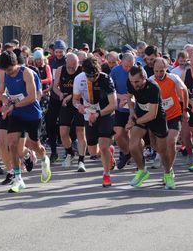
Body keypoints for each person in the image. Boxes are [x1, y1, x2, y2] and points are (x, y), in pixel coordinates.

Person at [0, 50, 52, 193]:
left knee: (35, 145)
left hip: (32, 114)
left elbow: (32, 97)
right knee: (12, 143)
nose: (8, 73)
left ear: (16, 64)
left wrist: (13, 105)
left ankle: (44, 159)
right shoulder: (4, 73)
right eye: (5, 70)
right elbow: (2, 92)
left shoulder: (26, 73)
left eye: (10, 69)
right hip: (16, 114)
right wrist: (4, 101)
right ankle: (18, 179)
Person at [126, 65, 173, 189]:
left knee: (161, 150)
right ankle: (142, 171)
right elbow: (129, 97)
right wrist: (131, 111)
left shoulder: (153, 87)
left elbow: (152, 114)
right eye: (131, 81)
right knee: (133, 145)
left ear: (144, 78)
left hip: (157, 117)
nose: (134, 84)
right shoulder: (130, 82)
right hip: (141, 113)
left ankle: (168, 173)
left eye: (137, 81)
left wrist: (134, 122)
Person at [73, 56, 117, 187]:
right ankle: (109, 153)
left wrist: (98, 114)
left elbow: (113, 104)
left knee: (103, 145)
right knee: (93, 151)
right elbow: (75, 100)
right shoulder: (79, 79)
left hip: (105, 112)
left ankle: (106, 175)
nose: (91, 78)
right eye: (89, 76)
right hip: (88, 112)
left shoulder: (106, 79)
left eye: (94, 76)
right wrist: (79, 106)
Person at [149, 58, 188, 188]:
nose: (159, 74)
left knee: (171, 142)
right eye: (156, 71)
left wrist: (185, 110)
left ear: (167, 69)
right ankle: (167, 168)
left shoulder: (173, 78)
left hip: (174, 115)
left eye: (161, 71)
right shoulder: (150, 80)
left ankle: (168, 171)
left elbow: (185, 91)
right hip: (158, 117)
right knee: (157, 146)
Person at [53, 52, 87, 172]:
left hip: (79, 102)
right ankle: (69, 153)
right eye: (70, 66)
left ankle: (81, 160)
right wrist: (60, 93)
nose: (72, 69)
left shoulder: (82, 71)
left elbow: (84, 89)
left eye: (75, 66)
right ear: (66, 62)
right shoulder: (60, 70)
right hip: (66, 103)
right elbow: (55, 86)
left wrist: (71, 96)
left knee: (80, 131)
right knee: (63, 131)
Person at [111, 52, 134, 169]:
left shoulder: (139, 71)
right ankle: (126, 153)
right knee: (118, 134)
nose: (129, 69)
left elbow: (143, 88)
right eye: (126, 66)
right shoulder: (115, 71)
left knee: (132, 134)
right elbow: (110, 89)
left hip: (134, 107)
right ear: (121, 63)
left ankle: (137, 156)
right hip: (120, 106)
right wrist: (120, 97)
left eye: (131, 66)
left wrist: (130, 98)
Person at [45, 39, 67, 161]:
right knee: (50, 122)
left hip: (66, 96)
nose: (59, 54)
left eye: (61, 52)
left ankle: (68, 149)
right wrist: (49, 88)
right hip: (54, 96)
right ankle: (53, 151)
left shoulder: (68, 61)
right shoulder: (51, 61)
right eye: (57, 52)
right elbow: (52, 79)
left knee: (65, 125)